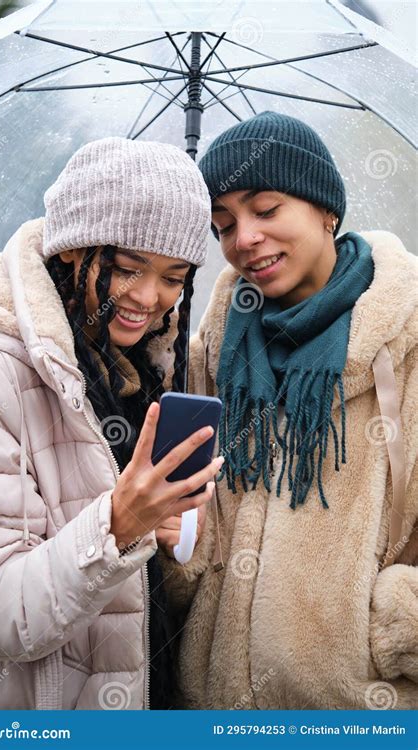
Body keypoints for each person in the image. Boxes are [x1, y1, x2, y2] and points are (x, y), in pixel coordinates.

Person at [0, 137, 224, 710]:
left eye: (174, 277)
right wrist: (120, 524)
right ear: (74, 250)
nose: (149, 298)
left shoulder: (145, 366)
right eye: (128, 268)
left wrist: (164, 532)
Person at [157, 112, 418, 710]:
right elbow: (204, 520)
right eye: (223, 224)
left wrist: (390, 627)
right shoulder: (212, 349)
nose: (242, 238)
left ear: (327, 209)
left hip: (358, 713)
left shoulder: (409, 340)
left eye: (266, 210)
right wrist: (181, 552)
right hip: (210, 710)